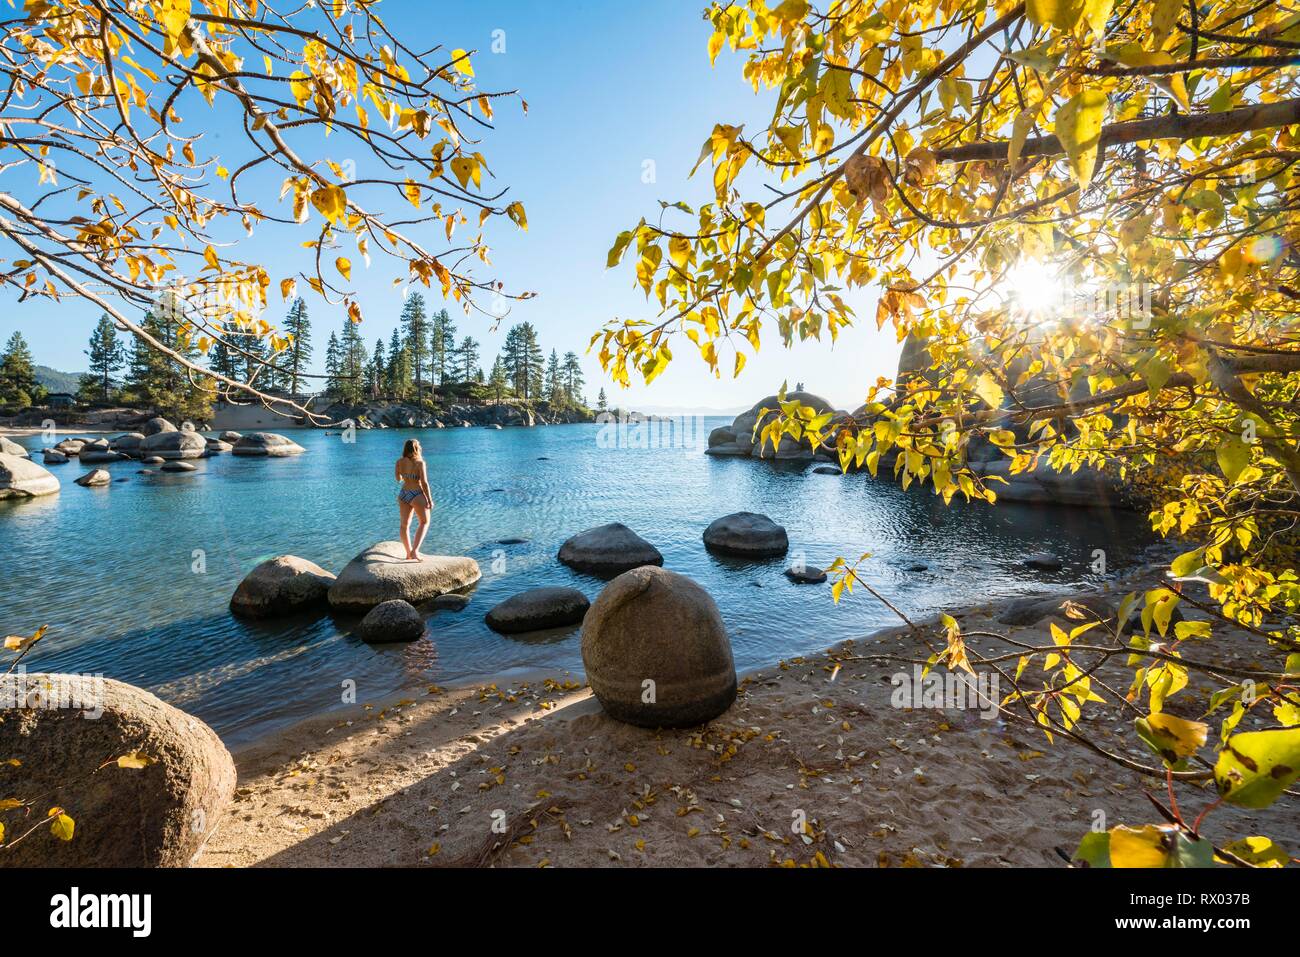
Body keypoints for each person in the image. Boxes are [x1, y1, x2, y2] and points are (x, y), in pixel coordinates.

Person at [395, 439, 434, 561]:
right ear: (417, 448)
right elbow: (424, 483)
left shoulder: (399, 462)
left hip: (403, 494)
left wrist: (406, 474)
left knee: (404, 525)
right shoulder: (420, 463)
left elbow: (398, 478)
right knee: (424, 522)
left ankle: (408, 554)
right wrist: (429, 499)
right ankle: (415, 551)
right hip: (416, 493)